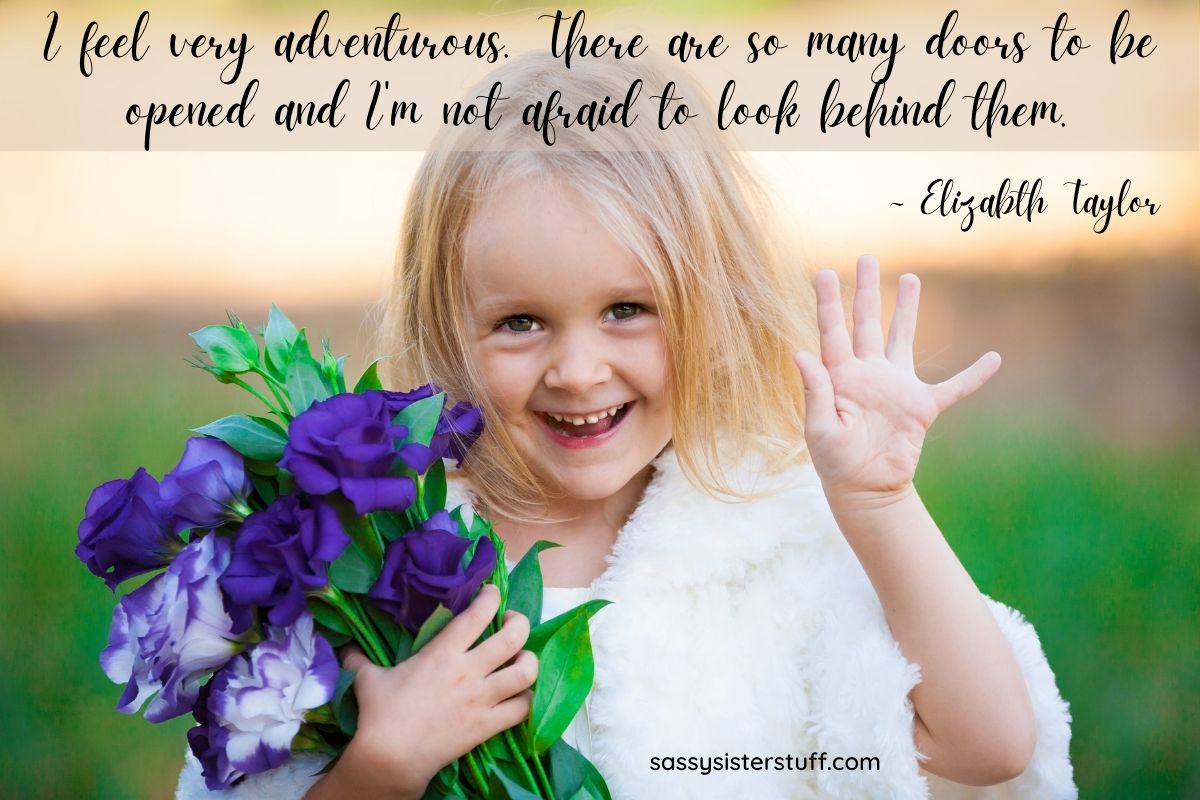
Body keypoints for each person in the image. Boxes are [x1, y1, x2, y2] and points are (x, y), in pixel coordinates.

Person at [176, 50, 1075, 799]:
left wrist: (880, 509)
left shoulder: (765, 532)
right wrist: (380, 766)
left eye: (627, 310)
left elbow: (989, 748)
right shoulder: (372, 560)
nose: (576, 370)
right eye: (520, 323)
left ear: (711, 306)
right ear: (449, 326)